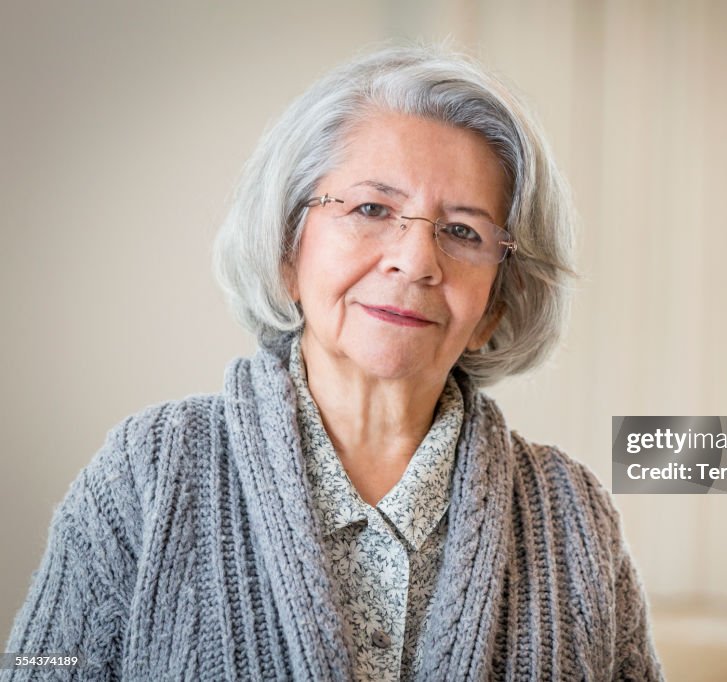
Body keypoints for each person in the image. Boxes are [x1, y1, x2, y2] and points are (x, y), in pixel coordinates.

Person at [3, 46, 662, 681]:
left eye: (463, 230)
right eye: (372, 209)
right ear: (290, 251)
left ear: (495, 303)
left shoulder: (573, 514)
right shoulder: (147, 473)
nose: (416, 260)